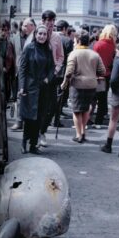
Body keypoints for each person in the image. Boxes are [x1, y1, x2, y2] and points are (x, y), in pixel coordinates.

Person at [60, 30, 105, 143]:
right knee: (86, 109)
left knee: (76, 110)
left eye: (75, 40)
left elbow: (69, 72)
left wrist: (64, 83)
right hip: (91, 85)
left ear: (78, 41)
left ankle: (78, 134)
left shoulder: (73, 54)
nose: (74, 42)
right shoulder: (95, 54)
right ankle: (83, 132)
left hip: (77, 85)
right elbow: (102, 71)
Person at [18, 24, 55, 155]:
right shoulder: (29, 48)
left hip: (43, 89)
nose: (42, 36)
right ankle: (24, 142)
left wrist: (48, 78)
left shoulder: (48, 50)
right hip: (29, 87)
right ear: (35, 35)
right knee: (29, 117)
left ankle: (33, 145)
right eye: (40, 34)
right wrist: (21, 86)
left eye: (44, 34)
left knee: (39, 117)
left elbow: (52, 68)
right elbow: (22, 68)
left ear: (47, 36)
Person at [38, 10, 64, 147]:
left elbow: (61, 56)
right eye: (48, 21)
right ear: (43, 21)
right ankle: (35, 133)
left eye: (52, 21)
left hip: (52, 75)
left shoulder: (57, 37)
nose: (50, 24)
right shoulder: (37, 34)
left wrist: (56, 69)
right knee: (39, 106)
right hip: (38, 76)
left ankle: (42, 131)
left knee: (52, 107)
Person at [10, 17, 36, 131]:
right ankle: (19, 121)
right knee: (19, 97)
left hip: (31, 74)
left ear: (32, 26)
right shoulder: (16, 38)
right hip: (19, 72)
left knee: (28, 98)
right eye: (23, 25)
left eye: (25, 26)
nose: (23, 28)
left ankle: (27, 122)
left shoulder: (35, 38)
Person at [91, 24, 117, 128]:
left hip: (95, 73)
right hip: (107, 75)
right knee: (103, 98)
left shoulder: (97, 44)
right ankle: (99, 120)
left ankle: (88, 118)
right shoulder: (114, 46)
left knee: (92, 98)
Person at [0, 20, 15, 106]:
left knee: (6, 94)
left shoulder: (9, 43)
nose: (3, 32)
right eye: (2, 29)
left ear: (8, 30)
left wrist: (8, 69)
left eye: (6, 30)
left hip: (7, 74)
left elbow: (12, 58)